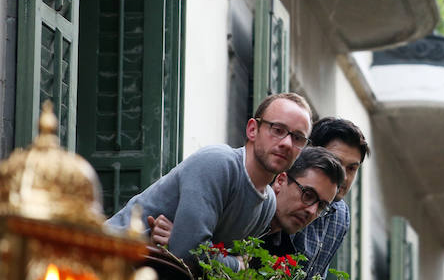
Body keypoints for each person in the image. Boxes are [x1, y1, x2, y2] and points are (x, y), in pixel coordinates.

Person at [107, 92, 313, 269]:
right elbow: (187, 253)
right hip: (108, 262)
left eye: (298, 138)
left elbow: (198, 259)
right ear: (252, 130)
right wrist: (237, 264)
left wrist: (190, 245)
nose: (286, 143)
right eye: (277, 130)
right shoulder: (218, 163)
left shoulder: (268, 204)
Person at [150, 146, 346, 253]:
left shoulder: (284, 256)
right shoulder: (230, 195)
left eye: (322, 206)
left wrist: (183, 241)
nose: (312, 211)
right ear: (280, 180)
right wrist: (185, 240)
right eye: (308, 195)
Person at [286, 117, 368, 280]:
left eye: (352, 168)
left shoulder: (341, 215)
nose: (344, 177)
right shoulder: (285, 188)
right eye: (336, 163)